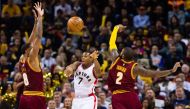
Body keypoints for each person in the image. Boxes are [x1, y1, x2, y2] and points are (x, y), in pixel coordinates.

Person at [107, 24, 181, 109]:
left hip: (117, 96)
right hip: (130, 96)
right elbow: (154, 74)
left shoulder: (116, 59)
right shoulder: (135, 67)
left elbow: (112, 42)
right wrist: (171, 71)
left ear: (122, 55)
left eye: (121, 51)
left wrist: (116, 28)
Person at [18, 2, 46, 109]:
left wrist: (35, 23)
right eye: (32, 46)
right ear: (28, 50)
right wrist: (40, 18)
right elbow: (38, 36)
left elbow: (30, 40)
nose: (33, 45)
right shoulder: (32, 58)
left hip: (24, 97)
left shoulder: (22, 59)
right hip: (35, 97)